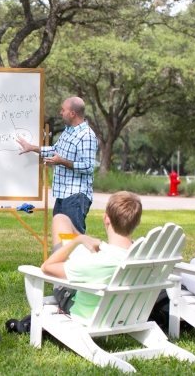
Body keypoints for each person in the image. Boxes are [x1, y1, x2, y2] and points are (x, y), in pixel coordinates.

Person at [40, 191, 142, 326]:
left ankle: (83, 240)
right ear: (138, 222)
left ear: (106, 218)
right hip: (123, 311)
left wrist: (79, 240)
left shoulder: (96, 263)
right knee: (62, 219)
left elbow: (47, 267)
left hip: (87, 312)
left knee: (59, 220)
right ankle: (85, 241)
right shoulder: (143, 255)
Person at [16, 97, 98, 248]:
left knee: (74, 240)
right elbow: (55, 151)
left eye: (63, 110)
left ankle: (76, 270)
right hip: (63, 194)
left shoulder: (86, 136)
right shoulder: (69, 131)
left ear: (72, 113)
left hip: (76, 196)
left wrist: (62, 162)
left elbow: (88, 167)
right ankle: (62, 268)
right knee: (61, 238)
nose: (60, 113)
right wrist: (32, 148)